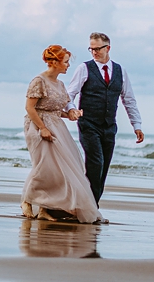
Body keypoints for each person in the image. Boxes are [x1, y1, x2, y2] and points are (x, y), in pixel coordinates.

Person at [21, 45, 105, 225]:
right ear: (55, 62)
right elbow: (30, 108)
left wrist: (71, 114)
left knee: (55, 169)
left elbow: (56, 109)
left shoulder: (60, 84)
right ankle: (27, 200)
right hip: (37, 125)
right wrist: (42, 128)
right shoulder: (39, 81)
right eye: (66, 62)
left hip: (57, 126)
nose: (68, 65)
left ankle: (44, 208)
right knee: (44, 166)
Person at [64, 32, 144, 205]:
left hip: (109, 127)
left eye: (97, 49)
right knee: (96, 164)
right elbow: (69, 95)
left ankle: (90, 205)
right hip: (88, 124)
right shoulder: (84, 69)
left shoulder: (120, 71)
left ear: (108, 48)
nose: (94, 52)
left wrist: (136, 125)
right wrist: (71, 109)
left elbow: (128, 99)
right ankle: (89, 206)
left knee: (104, 167)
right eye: (91, 49)